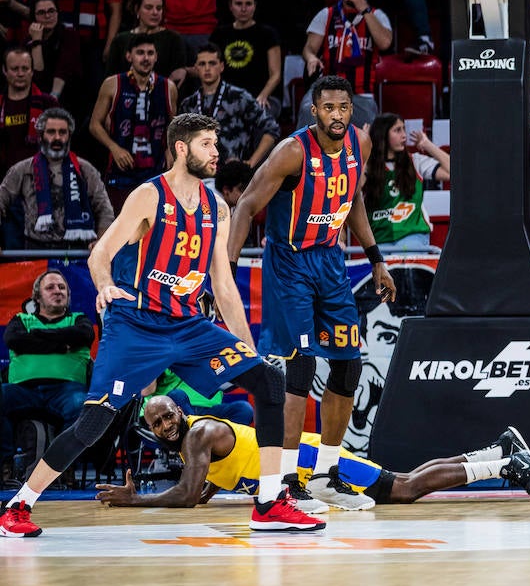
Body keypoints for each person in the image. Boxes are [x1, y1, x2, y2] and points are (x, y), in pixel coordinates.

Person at [0, 113, 321, 537]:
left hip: (187, 325)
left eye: (216, 142)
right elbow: (100, 254)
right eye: (206, 144)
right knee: (93, 422)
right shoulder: (149, 197)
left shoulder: (217, 208)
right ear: (181, 148)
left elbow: (224, 286)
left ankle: (269, 502)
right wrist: (105, 285)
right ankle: (18, 505)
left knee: (269, 381)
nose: (216, 152)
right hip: (136, 325)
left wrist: (247, 347)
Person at [227, 76, 397, 513]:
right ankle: (286, 481)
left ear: (351, 110)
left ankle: (325, 475)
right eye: (329, 108)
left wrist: (376, 258)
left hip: (330, 262)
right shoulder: (292, 151)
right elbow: (247, 204)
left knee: (348, 364)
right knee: (300, 367)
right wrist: (228, 269)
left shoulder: (360, 143)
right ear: (315, 111)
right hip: (289, 264)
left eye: (344, 107)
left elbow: (352, 201)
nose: (337, 115)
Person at [94, 397, 530, 507]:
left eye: (168, 416)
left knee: (403, 489)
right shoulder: (193, 442)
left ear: (179, 411)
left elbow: (188, 493)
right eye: (157, 423)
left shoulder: (197, 435)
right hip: (303, 464)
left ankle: (507, 465)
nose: (165, 425)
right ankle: (497, 449)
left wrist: (136, 500)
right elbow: (209, 482)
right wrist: (203, 491)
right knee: (401, 479)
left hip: (310, 464)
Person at [1, 271, 95, 469]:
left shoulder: (79, 320)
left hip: (66, 391)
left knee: (81, 404)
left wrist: (34, 338)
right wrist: (62, 345)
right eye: (50, 287)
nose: (57, 291)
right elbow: (14, 340)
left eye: (62, 287)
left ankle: (62, 467)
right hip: (23, 391)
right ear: (37, 296)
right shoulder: (21, 320)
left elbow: (83, 335)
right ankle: (5, 465)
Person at [0, 106, 113, 248]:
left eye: (62, 132)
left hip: (77, 251)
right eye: (51, 132)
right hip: (35, 251)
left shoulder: (85, 170)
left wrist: (102, 242)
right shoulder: (22, 169)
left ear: (69, 136)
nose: (57, 138)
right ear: (41, 136)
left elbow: (104, 210)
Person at [88, 34, 178, 208]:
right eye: (140, 53)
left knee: (154, 222)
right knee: (120, 221)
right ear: (129, 56)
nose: (146, 58)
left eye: (150, 53)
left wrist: (170, 148)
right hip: (121, 170)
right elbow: (94, 124)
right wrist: (114, 148)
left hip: (156, 170)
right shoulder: (113, 84)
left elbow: (174, 125)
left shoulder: (169, 87)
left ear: (156, 57)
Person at [302, 0, 394, 99]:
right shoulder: (326, 14)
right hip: (329, 91)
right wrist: (311, 57)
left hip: (362, 94)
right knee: (306, 108)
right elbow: (309, 48)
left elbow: (385, 43)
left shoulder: (377, 15)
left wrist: (364, 9)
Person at [179, 44, 277, 166]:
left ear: (221, 66)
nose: (207, 68)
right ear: (196, 68)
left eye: (212, 63)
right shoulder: (188, 104)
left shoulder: (239, 97)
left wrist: (251, 163)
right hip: (199, 171)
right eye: (202, 64)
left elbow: (272, 128)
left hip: (233, 172)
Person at [364, 113, 451, 251]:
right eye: (397, 130)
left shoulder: (415, 161)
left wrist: (427, 145)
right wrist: (364, 149)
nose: (404, 135)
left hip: (412, 235)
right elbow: (353, 189)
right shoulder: (367, 167)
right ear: (382, 134)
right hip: (378, 238)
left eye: (404, 129)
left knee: (405, 256)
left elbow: (452, 172)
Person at [210, 0, 283, 115]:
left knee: (257, 115)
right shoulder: (219, 35)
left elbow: (276, 75)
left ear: (255, 6)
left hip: (263, 96)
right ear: (230, 6)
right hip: (227, 98)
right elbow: (210, 68)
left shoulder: (268, 34)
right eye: (239, 4)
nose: (243, 9)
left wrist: (263, 96)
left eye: (248, 4)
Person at [104, 0, 189, 82]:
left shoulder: (174, 39)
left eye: (159, 8)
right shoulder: (120, 40)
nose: (155, 12)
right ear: (137, 9)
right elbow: (110, 79)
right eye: (149, 8)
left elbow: (179, 75)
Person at [0, 46, 58, 172]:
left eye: (25, 69)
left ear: (32, 71)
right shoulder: (1, 104)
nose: (20, 74)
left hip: (41, 175)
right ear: (4, 71)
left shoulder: (48, 103)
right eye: (15, 69)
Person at [27, 0, 83, 101]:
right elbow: (37, 76)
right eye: (41, 12)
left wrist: (53, 98)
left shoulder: (69, 35)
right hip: (39, 95)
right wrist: (36, 42)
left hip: (67, 94)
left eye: (51, 11)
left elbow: (63, 68)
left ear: (58, 13)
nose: (48, 16)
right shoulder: (28, 39)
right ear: (34, 17)